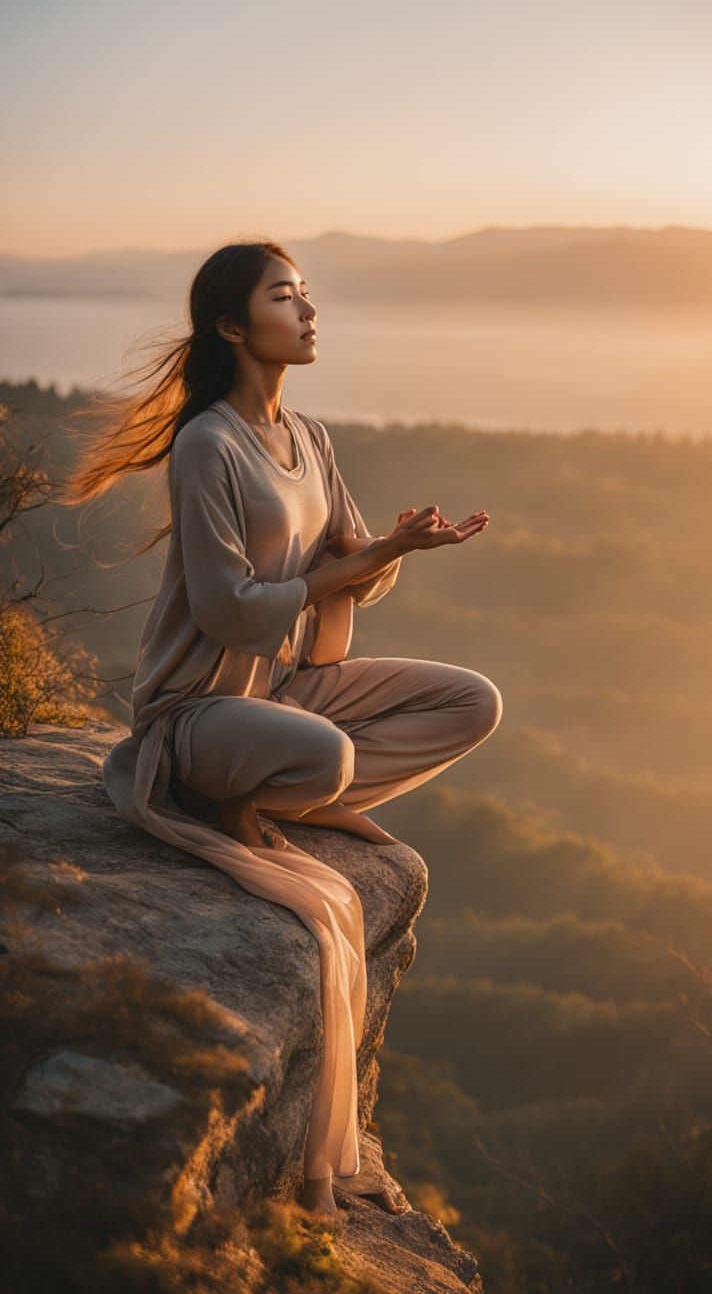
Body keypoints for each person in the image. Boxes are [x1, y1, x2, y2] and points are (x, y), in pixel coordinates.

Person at [61, 238, 503, 1224]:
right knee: (327, 756)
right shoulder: (207, 445)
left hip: (290, 689)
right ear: (231, 325)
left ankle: (284, 794)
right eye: (285, 297)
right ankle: (248, 795)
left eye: (307, 295)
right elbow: (231, 612)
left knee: (471, 700)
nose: (308, 312)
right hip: (201, 713)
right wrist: (365, 557)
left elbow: (350, 566)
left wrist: (397, 548)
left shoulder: (308, 436)